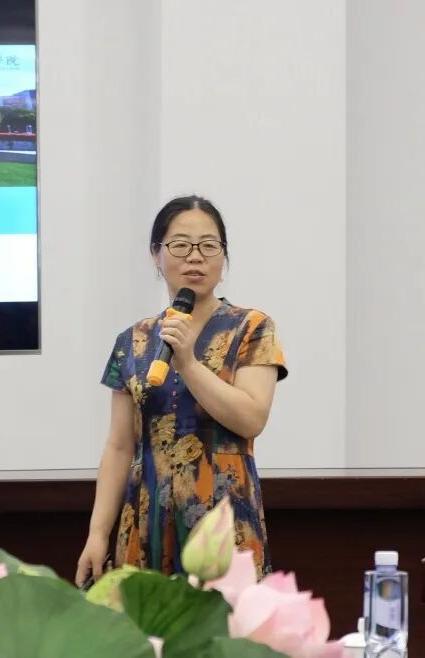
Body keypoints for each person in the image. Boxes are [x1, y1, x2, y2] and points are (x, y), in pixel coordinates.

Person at [75, 195, 287, 587]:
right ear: (156, 256)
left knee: (223, 624)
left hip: (223, 519)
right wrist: (97, 533)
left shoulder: (252, 328)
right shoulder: (133, 340)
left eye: (209, 246)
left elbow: (251, 419)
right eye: (180, 246)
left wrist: (188, 363)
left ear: (223, 257)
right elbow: (119, 446)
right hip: (146, 516)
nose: (195, 257)